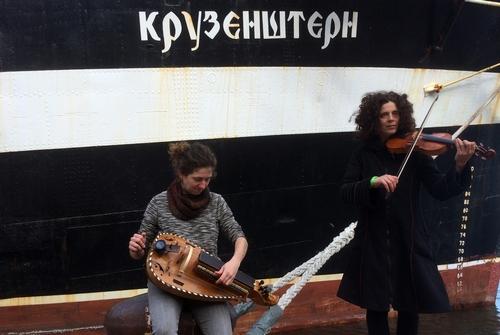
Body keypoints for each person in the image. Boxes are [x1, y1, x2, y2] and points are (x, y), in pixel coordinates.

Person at [337, 91, 476, 335]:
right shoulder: (363, 154)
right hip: (373, 241)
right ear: (373, 119)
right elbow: (346, 191)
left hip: (408, 240)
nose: (391, 119)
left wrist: (460, 165)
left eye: (395, 113)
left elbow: (441, 190)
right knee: (376, 307)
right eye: (384, 115)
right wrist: (373, 181)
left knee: (410, 306)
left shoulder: (416, 153)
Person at [128, 141, 248, 335]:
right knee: (165, 331)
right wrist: (136, 249)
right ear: (181, 174)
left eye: (208, 179)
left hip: (206, 281)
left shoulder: (217, 202)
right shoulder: (158, 203)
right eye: (197, 179)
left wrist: (234, 262)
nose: (203, 185)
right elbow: (140, 249)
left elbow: (239, 237)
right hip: (165, 282)